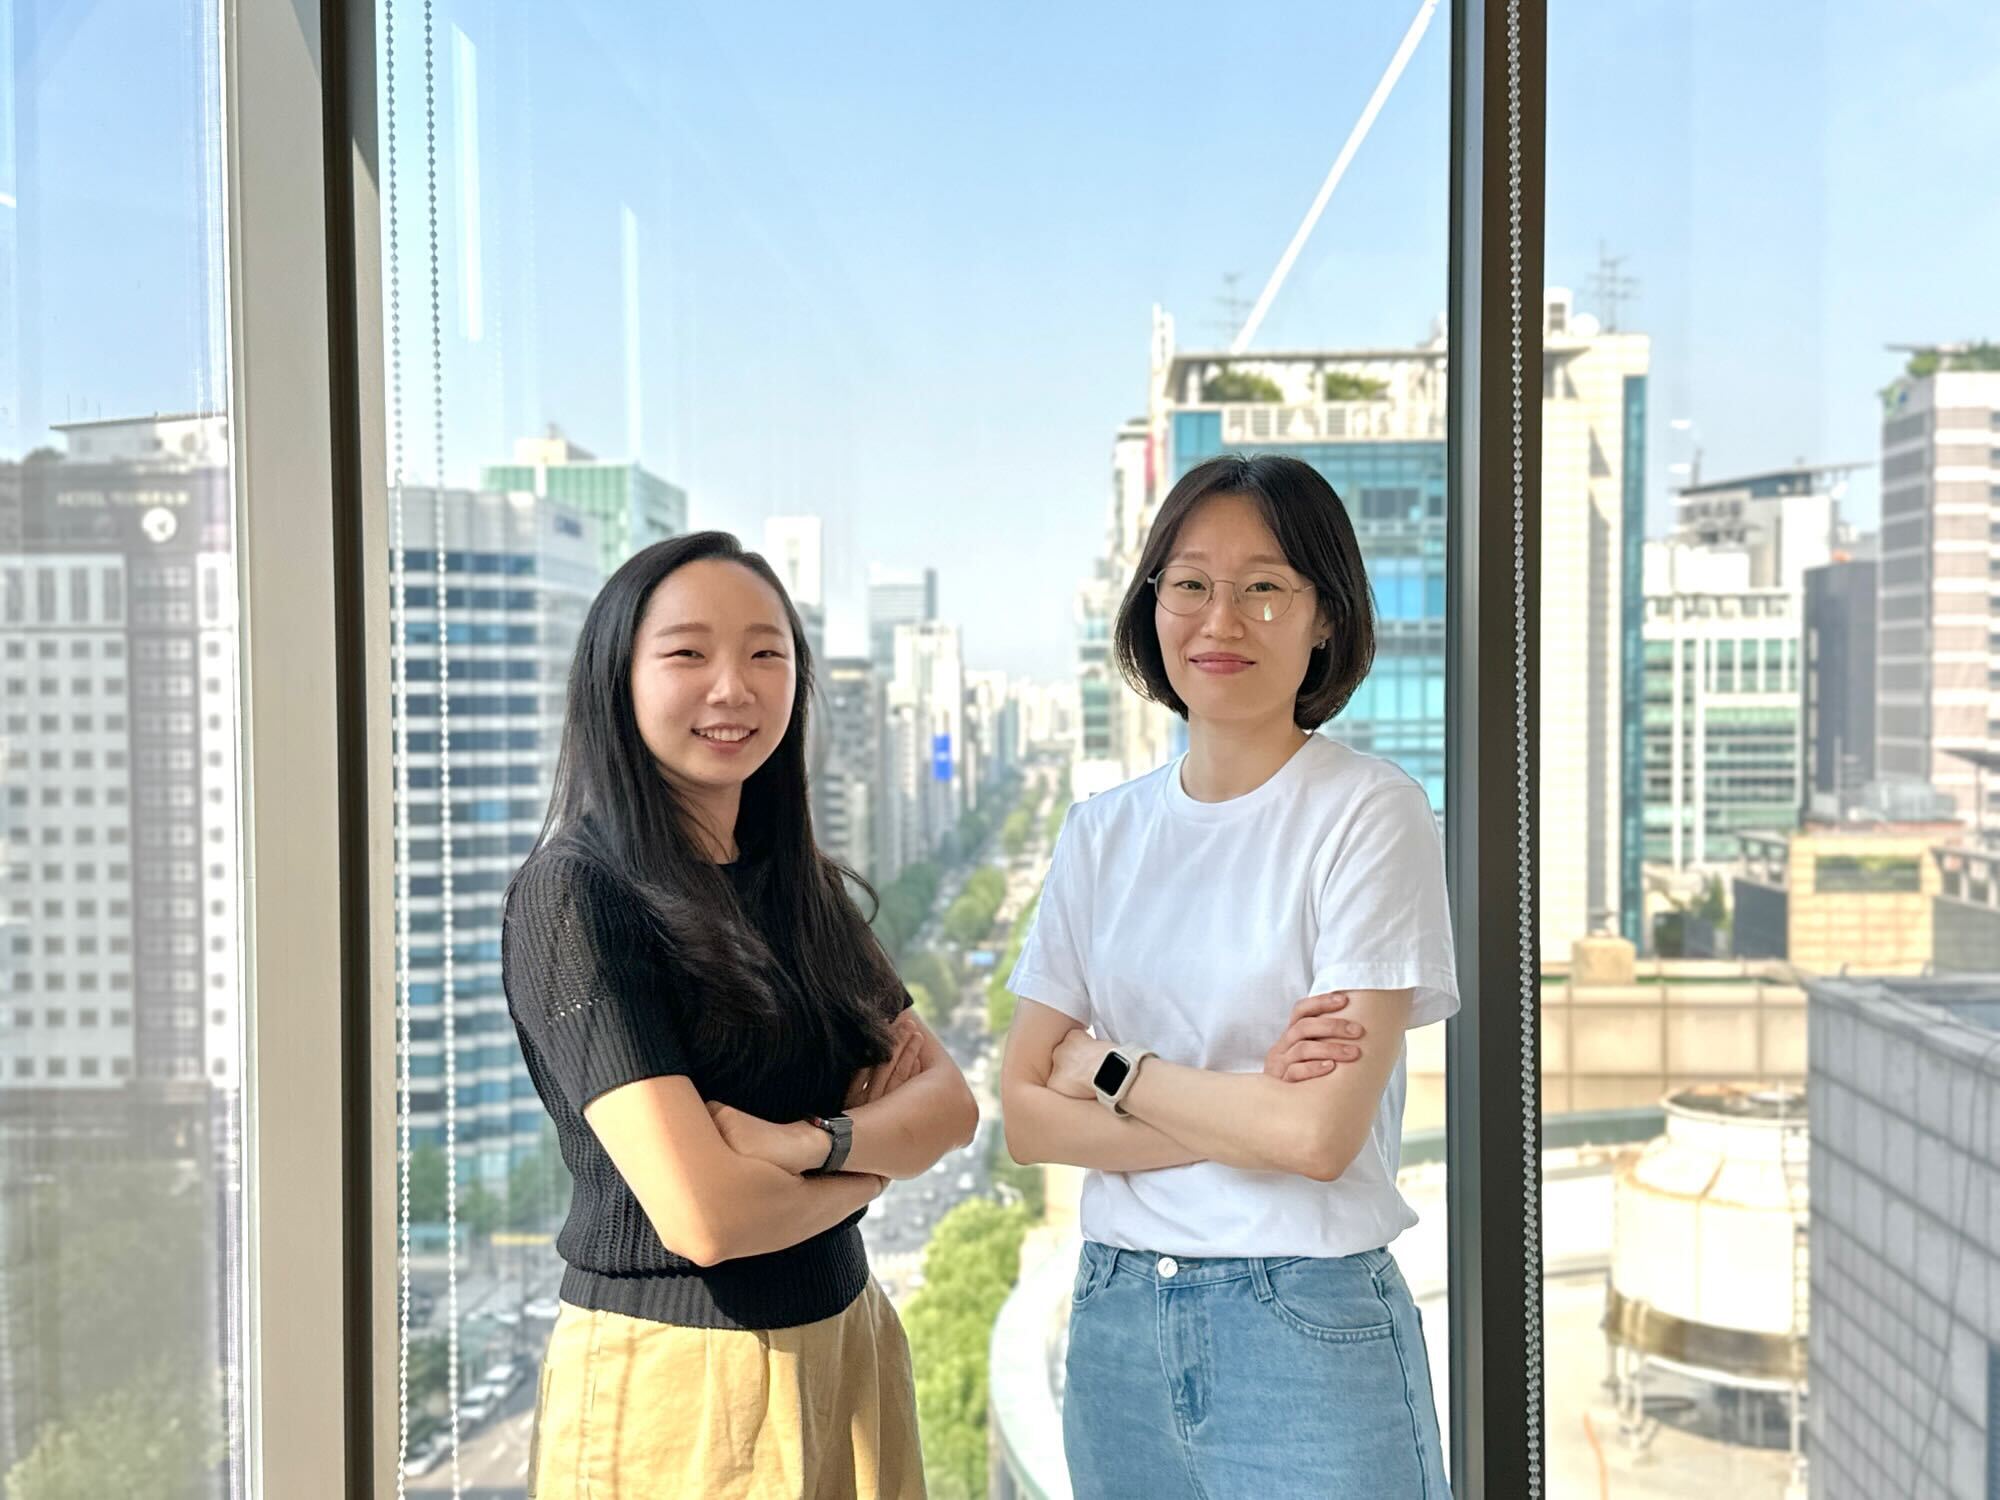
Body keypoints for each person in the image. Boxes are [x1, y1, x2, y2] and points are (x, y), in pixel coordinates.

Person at [1000, 454, 1457, 1499]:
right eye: (1191, 584)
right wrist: (1251, 1106)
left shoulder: (1370, 813)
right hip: (1116, 1324)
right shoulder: (1099, 833)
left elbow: (1317, 1139)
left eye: (1263, 587)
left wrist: (1111, 1068)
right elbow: (1025, 1118)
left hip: (1303, 1323)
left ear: (1324, 616)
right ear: (1151, 605)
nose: (1222, 620)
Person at [502, 531, 978, 1499]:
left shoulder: (798, 886)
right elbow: (707, 1220)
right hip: (679, 1381)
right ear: (616, 678)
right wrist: (873, 1165)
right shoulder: (576, 896)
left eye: (767, 653)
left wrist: (804, 1147)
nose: (734, 687)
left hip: (847, 1343)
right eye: (688, 653)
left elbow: (951, 1108)